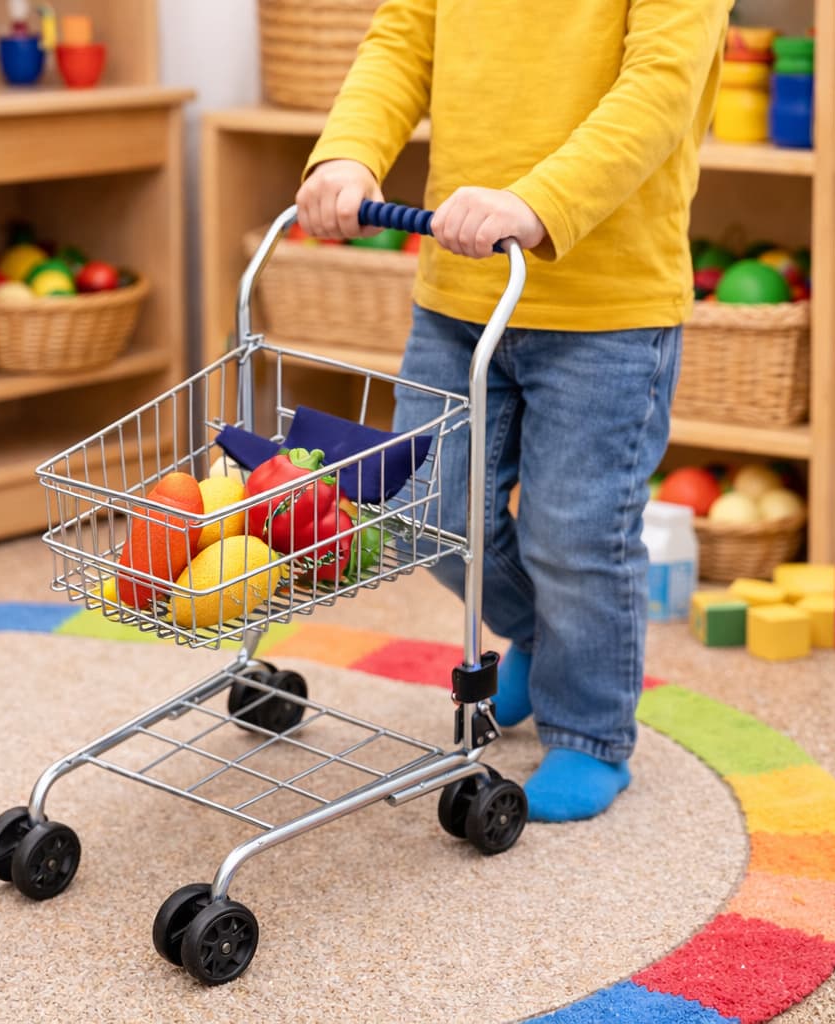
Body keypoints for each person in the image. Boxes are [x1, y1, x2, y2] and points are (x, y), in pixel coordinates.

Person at [295, 0, 734, 822]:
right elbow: (403, 42)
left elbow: (660, 91)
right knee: (422, 506)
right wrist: (350, 153)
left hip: (608, 311)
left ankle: (591, 732)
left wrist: (538, 202)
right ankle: (545, 633)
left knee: (575, 535)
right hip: (460, 292)